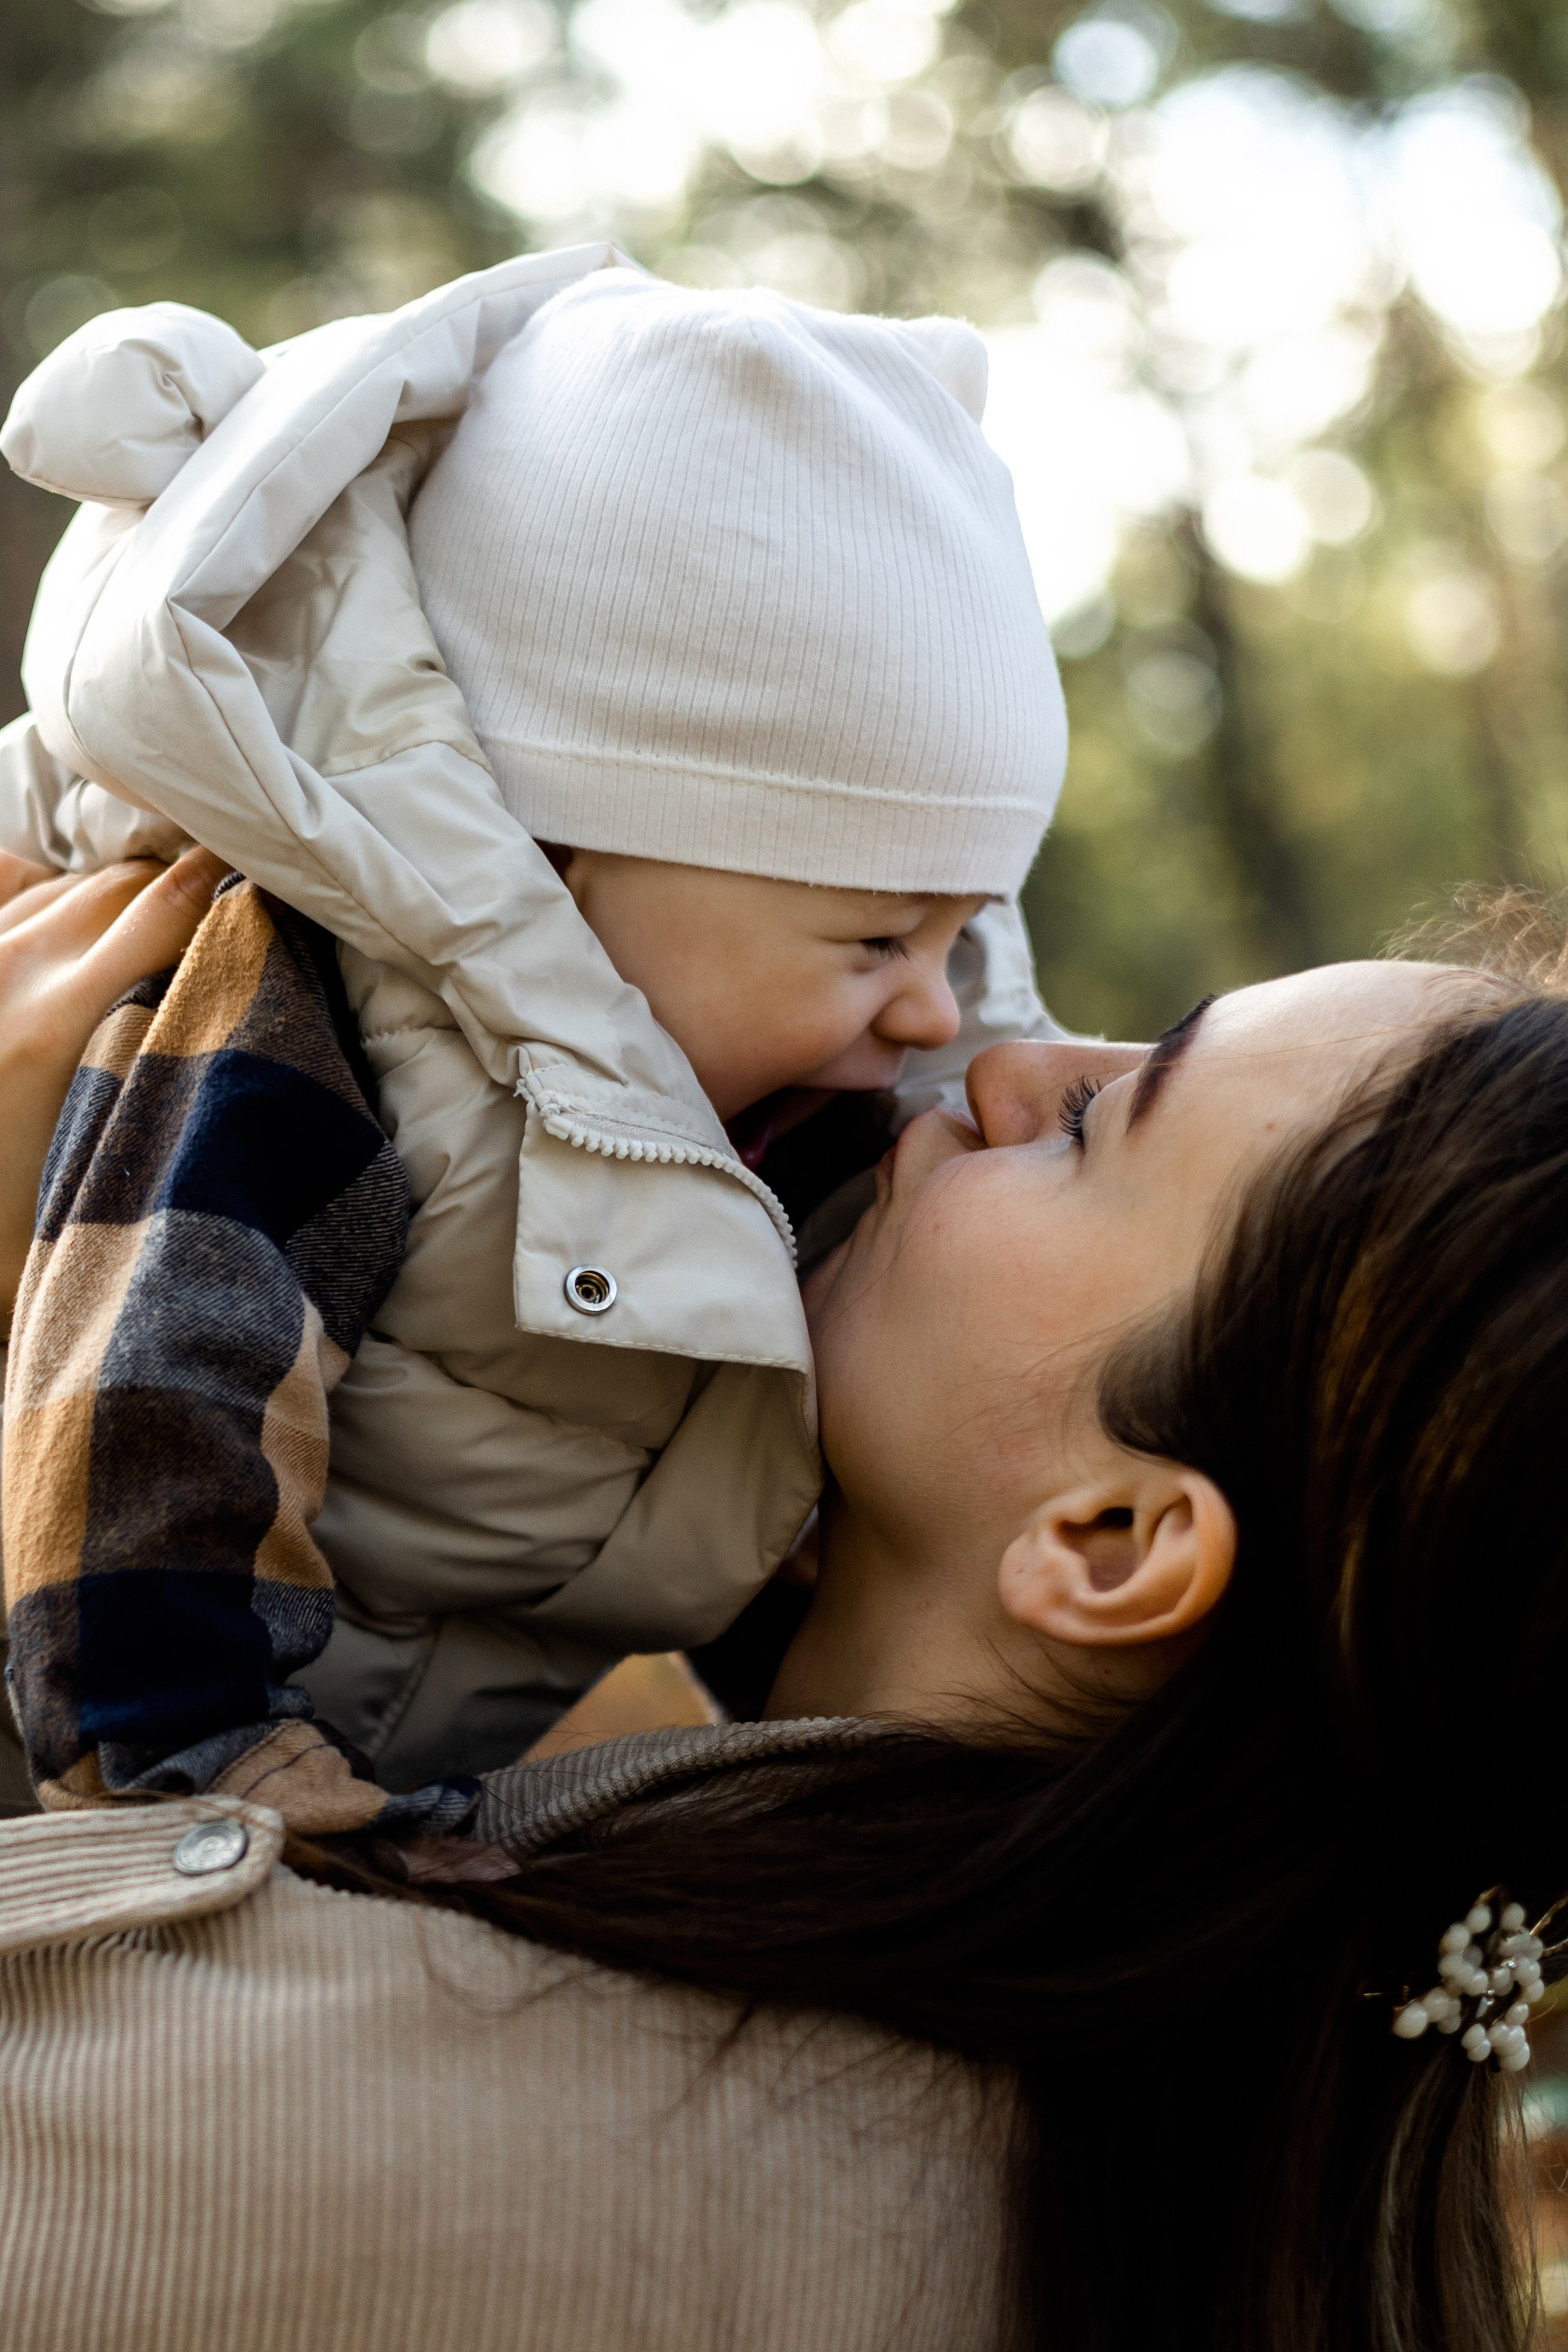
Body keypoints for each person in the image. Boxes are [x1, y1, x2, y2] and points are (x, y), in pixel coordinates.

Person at [1, 863, 1562, 2352]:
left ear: (1107, 1541)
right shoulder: (1252, 2233)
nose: (996, 1063)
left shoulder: (395, 2103)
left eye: (1094, 1124)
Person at [0, 252, 1066, 1798]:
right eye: (879, 938)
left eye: (965, 935)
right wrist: (219, 1792)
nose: (931, 1005)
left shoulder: (796, 1117)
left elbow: (753, 1484)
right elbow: (152, 1420)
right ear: (553, 865)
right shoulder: (322, 1025)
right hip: (146, 1814)